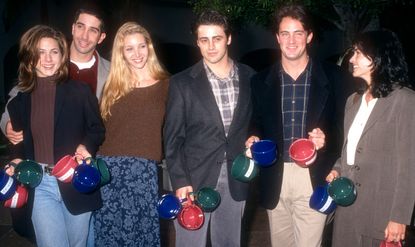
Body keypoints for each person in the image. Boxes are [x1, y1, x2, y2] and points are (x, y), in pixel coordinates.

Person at [244, 4, 353, 247]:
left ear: (310, 36)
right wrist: (253, 137)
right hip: (275, 176)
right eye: (285, 33)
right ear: (277, 37)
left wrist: (328, 141)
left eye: (298, 33)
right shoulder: (260, 80)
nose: (291, 41)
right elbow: (257, 122)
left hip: (313, 176)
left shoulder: (336, 78)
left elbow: (348, 129)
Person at [4, 25, 105, 247]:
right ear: (30, 58)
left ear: (62, 56)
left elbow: (96, 128)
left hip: (76, 180)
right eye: (40, 52)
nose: (47, 59)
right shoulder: (20, 101)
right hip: (39, 182)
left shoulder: (80, 92)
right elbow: (17, 143)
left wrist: (85, 145)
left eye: (54, 52)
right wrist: (16, 160)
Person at [163, 10, 255, 247]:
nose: (211, 46)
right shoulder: (182, 82)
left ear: (229, 38)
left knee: (229, 243)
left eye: (217, 38)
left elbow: (257, 122)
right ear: (197, 42)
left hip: (236, 176)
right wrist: (181, 180)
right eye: (204, 40)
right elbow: (172, 139)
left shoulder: (251, 77)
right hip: (194, 179)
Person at [325, 30, 415, 247]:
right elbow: (350, 149)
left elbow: (409, 165)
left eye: (357, 52)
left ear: (378, 57)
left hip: (381, 215)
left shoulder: (405, 100)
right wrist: (337, 168)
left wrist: (399, 217)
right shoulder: (353, 101)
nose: (351, 59)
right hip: (347, 211)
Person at [93, 21, 169, 247]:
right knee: (109, 238)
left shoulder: (168, 86)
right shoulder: (111, 87)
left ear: (149, 47)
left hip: (144, 173)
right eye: (129, 48)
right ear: (122, 54)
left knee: (143, 237)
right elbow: (98, 129)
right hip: (108, 172)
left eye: (141, 46)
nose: (137, 54)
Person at [0, 3, 109, 145]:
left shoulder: (112, 71)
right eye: (81, 26)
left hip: (92, 153)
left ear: (101, 37)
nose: (84, 36)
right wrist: (7, 123)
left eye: (93, 30)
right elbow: (21, 91)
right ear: (73, 28)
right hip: (49, 150)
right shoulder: (48, 61)